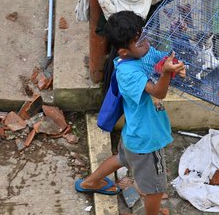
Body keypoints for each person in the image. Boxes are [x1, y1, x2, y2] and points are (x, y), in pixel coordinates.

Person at [74, 11, 185, 215]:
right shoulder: (128, 72)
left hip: (133, 134)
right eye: (139, 42)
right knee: (155, 189)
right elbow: (159, 91)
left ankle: (90, 182)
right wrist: (167, 73)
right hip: (147, 141)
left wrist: (173, 64)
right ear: (124, 52)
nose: (146, 43)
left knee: (122, 158)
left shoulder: (144, 52)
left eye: (144, 36)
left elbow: (161, 59)